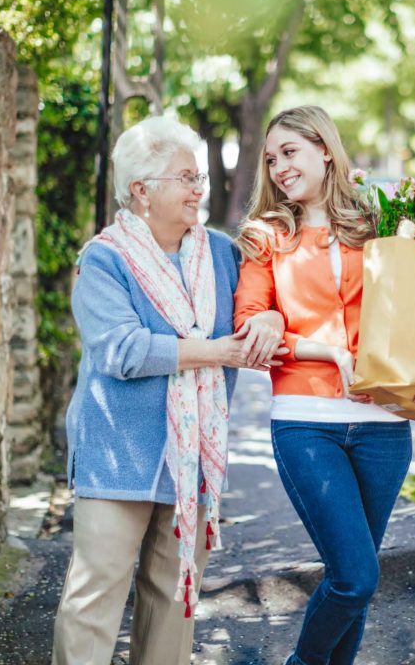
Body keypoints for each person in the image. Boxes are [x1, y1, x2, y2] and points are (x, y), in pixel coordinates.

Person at [233, 105, 415, 665]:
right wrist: (327, 352)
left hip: (386, 424)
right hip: (306, 422)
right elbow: (250, 326)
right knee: (354, 577)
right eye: (271, 159)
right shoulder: (266, 236)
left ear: (325, 148)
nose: (279, 168)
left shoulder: (384, 219)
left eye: (289, 152)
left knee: (359, 583)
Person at [52, 115, 285, 665]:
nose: (199, 189)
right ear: (141, 190)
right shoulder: (103, 259)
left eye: (199, 177)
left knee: (175, 598)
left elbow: (267, 299)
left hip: (193, 458)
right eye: (186, 178)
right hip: (119, 454)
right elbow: (123, 350)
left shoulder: (223, 254)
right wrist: (220, 352)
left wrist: (270, 318)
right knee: (94, 598)